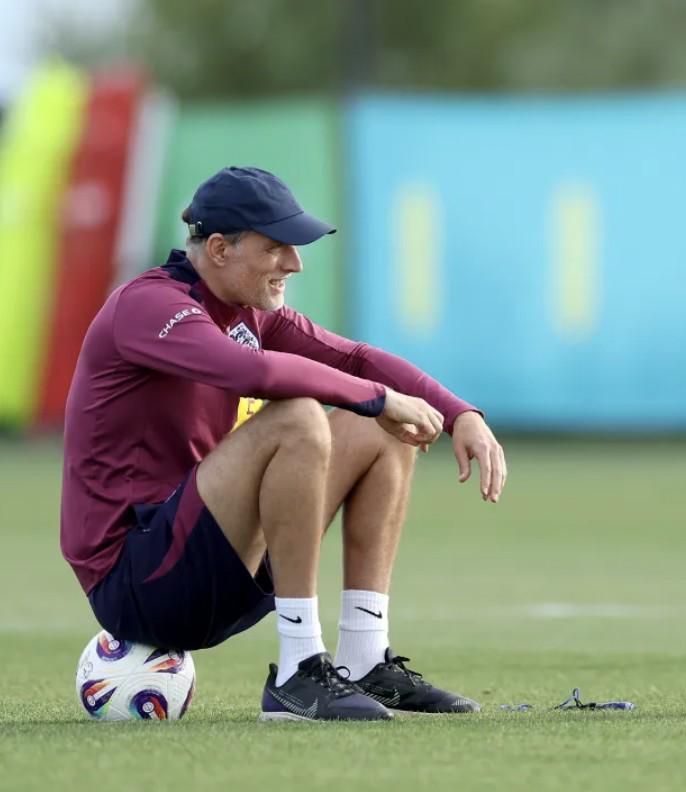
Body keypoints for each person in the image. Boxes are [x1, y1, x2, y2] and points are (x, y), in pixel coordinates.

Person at [61, 166, 507, 721]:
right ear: (219, 248)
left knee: (379, 424)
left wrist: (458, 412)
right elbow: (252, 373)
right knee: (300, 415)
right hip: (138, 582)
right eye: (275, 248)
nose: (294, 263)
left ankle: (365, 659)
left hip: (211, 559)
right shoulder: (146, 306)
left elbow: (356, 360)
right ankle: (299, 671)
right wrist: (380, 398)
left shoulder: (246, 311)